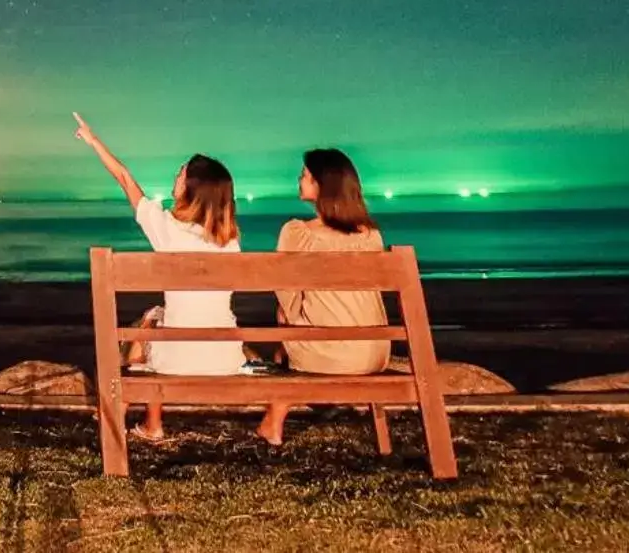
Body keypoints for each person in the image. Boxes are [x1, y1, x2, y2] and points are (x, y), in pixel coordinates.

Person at [72, 112, 242, 441]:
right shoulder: (231, 242)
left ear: (191, 187)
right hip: (225, 357)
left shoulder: (167, 229)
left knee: (146, 325)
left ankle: (142, 419)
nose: (175, 176)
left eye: (180, 173)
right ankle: (148, 422)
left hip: (177, 357)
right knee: (157, 320)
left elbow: (125, 179)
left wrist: (94, 141)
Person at [257, 147, 390, 446]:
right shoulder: (371, 236)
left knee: (287, 317)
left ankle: (274, 420)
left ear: (321, 185)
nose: (299, 178)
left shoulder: (297, 232)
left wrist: (288, 335)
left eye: (305, 174)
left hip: (329, 356)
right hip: (375, 352)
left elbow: (286, 293)